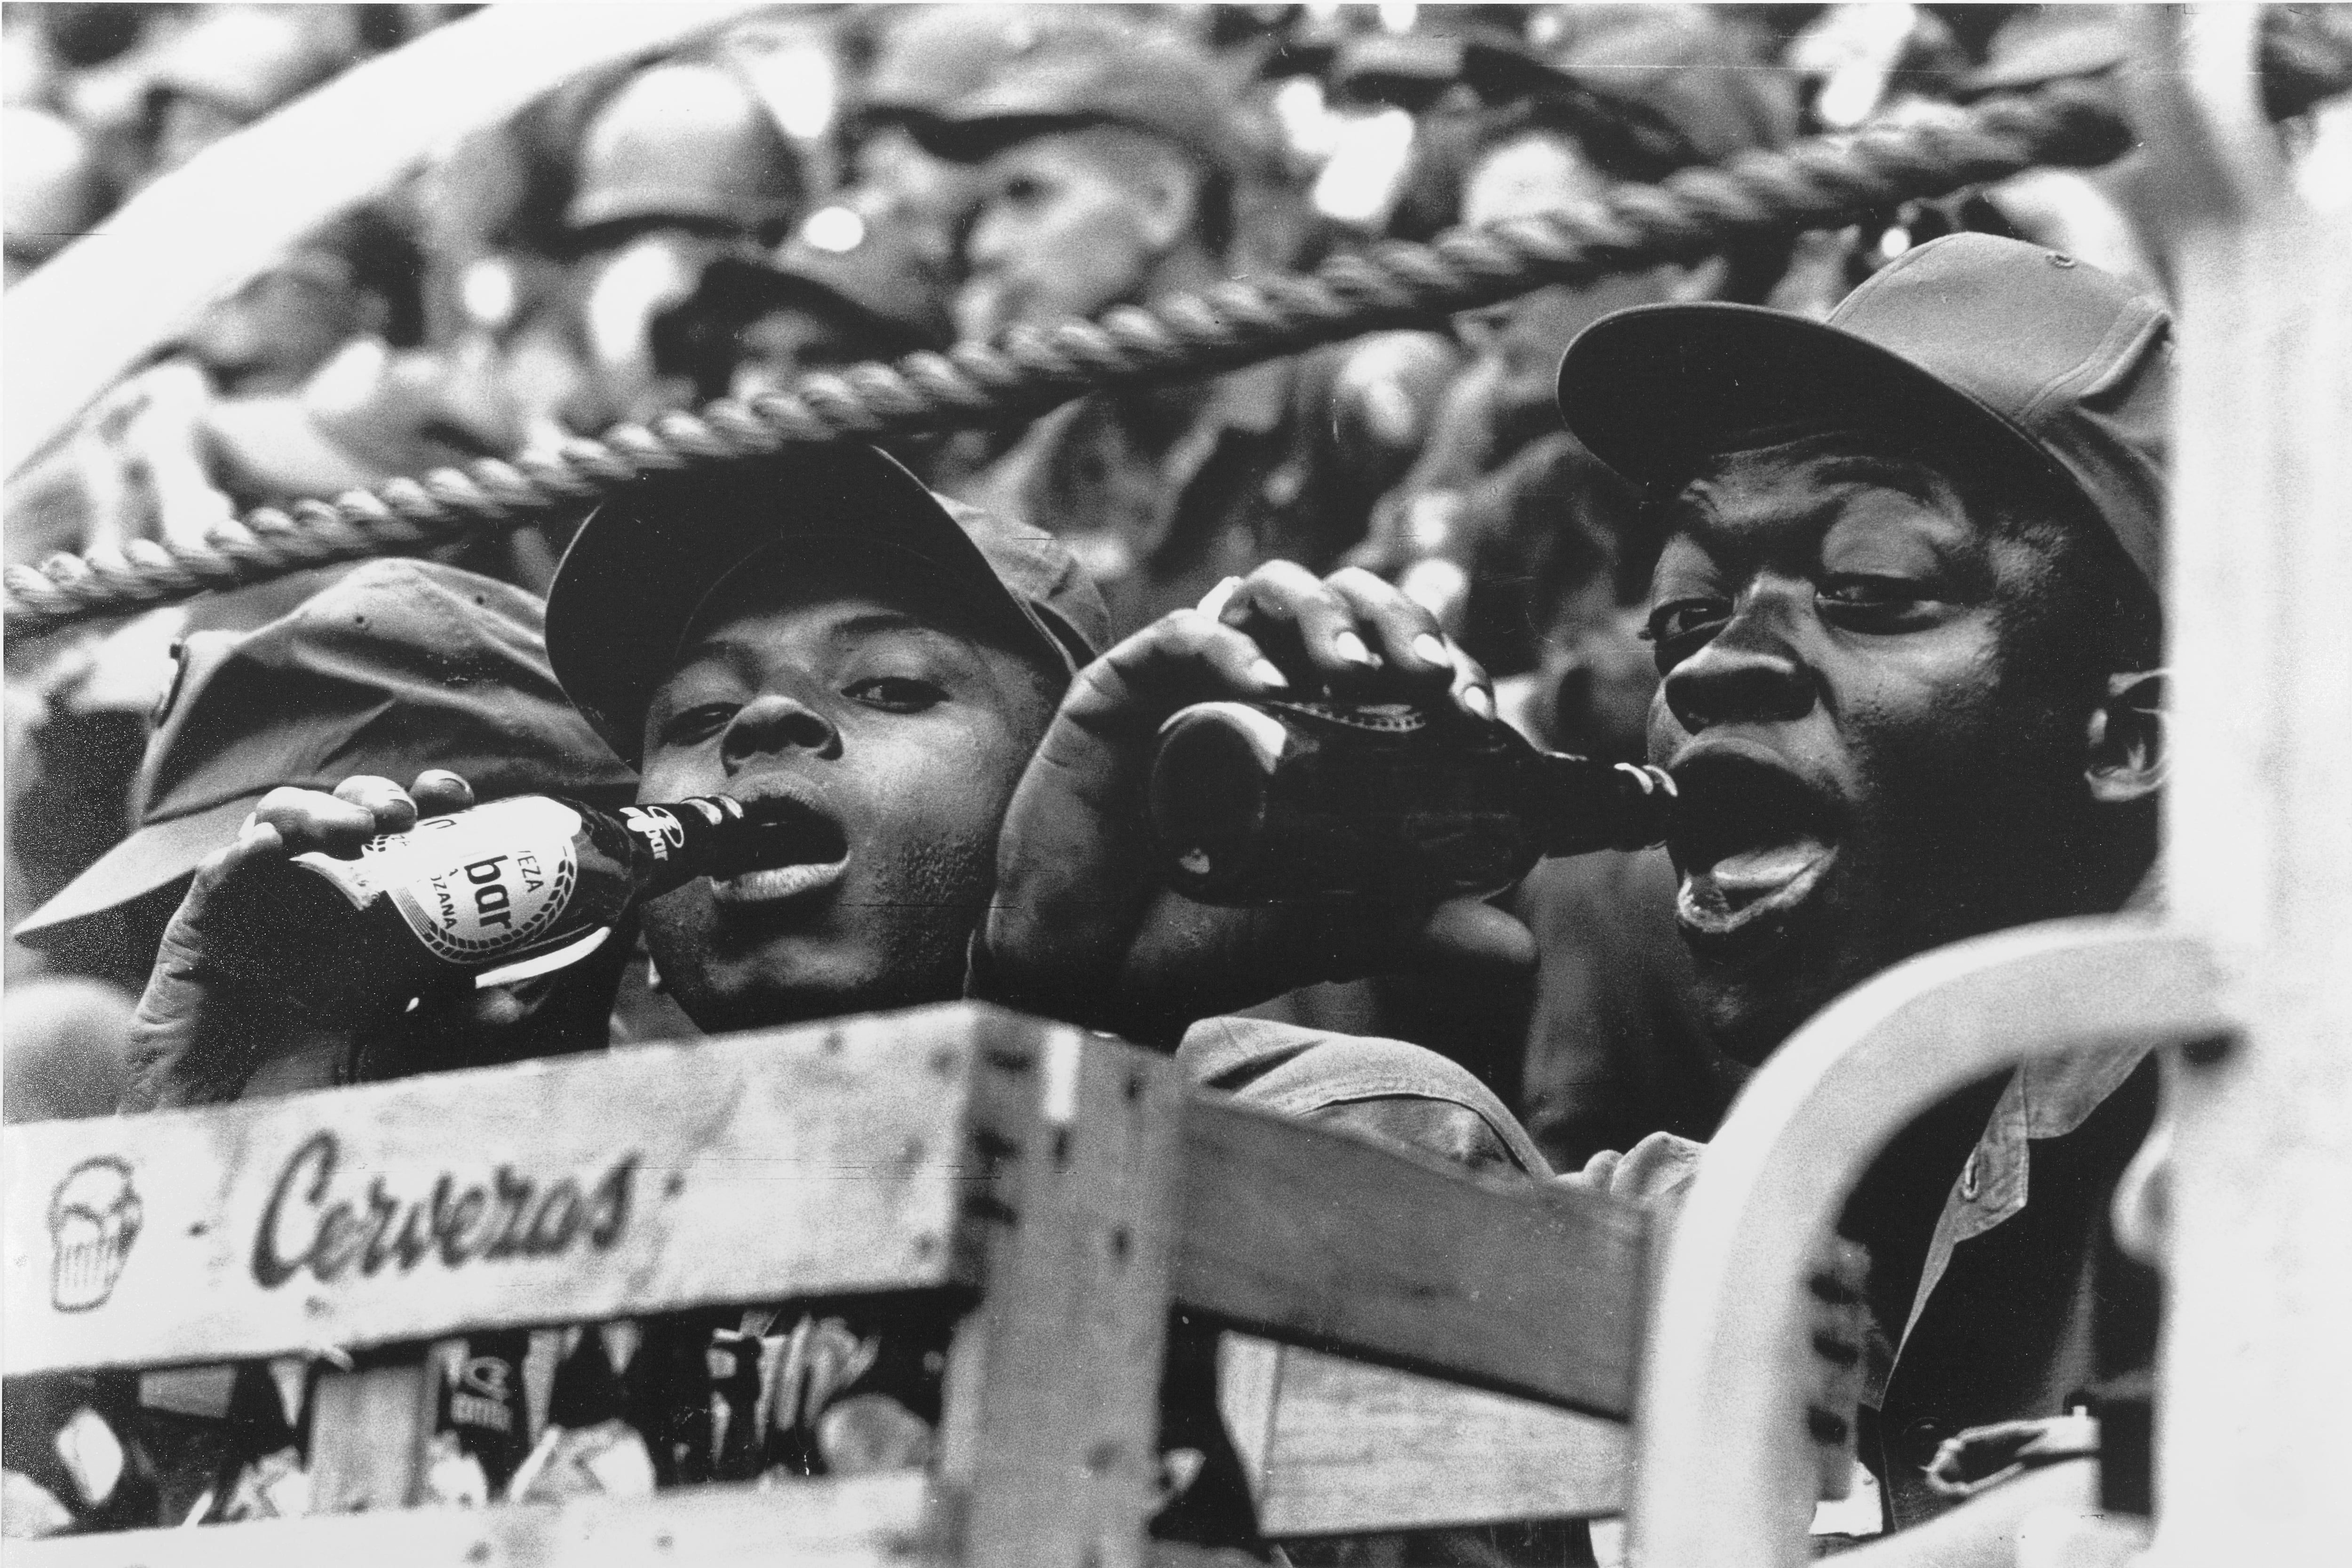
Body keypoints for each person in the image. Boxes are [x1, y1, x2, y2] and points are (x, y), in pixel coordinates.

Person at [976, 231, 2172, 1541]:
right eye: (1686, 609)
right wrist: (1064, 1006)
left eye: (1870, 584)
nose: (1709, 672)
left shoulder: (2272, 1154)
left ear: (2134, 738)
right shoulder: (1698, 1242)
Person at [127, 445, 1547, 1534]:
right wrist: (227, 1131)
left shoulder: (1320, 1119)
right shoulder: (543, 1202)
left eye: (891, 688)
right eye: (693, 717)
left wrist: (1034, 1046)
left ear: (1079, 784)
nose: (762, 724)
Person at [942, 14, 1460, 636]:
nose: (987, 246)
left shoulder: (1356, 398)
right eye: (981, 210)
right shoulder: (1052, 469)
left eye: (1028, 195)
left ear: (1164, 202)